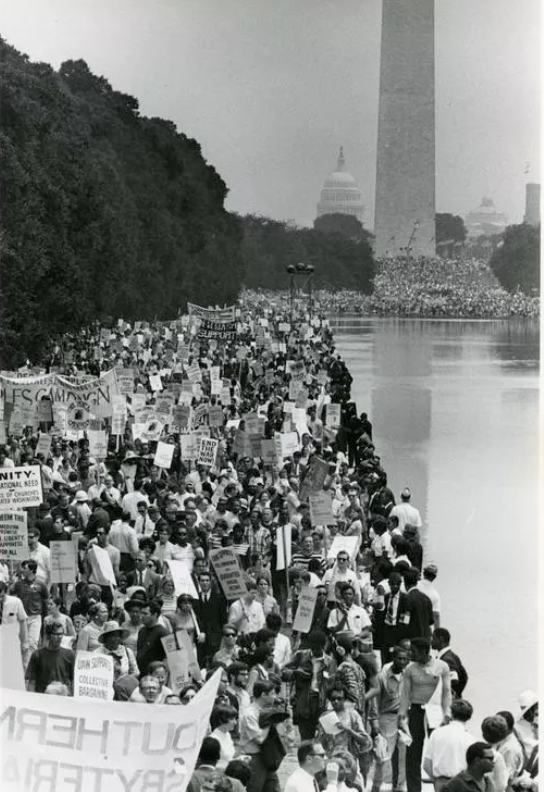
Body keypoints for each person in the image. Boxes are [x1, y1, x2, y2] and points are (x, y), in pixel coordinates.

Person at [399, 637, 452, 792]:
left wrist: (447, 712)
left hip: (435, 712)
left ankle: (441, 788)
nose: (410, 654)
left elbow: (446, 692)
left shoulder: (442, 666)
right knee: (412, 752)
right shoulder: (410, 669)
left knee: (439, 752)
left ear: (423, 652)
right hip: (416, 711)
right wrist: (402, 713)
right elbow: (405, 694)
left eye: (413, 651)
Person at [371, 645, 410, 792]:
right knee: (383, 756)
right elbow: (375, 702)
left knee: (403, 755)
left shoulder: (408, 675)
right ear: (393, 658)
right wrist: (375, 722)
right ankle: (376, 787)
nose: (402, 662)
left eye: (405, 659)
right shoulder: (382, 677)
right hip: (387, 718)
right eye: (400, 658)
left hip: (404, 718)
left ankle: (399, 787)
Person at [283, 630, 336, 740]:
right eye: (313, 648)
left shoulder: (330, 662)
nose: (315, 651)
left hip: (321, 704)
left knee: (322, 738)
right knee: (305, 737)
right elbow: (283, 673)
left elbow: (332, 684)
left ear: (323, 646)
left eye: (317, 648)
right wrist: (296, 673)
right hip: (303, 702)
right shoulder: (300, 656)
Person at [239, 679, 288, 792]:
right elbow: (259, 739)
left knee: (274, 788)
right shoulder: (250, 714)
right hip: (255, 759)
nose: (275, 697)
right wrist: (269, 721)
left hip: (268, 757)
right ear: (263, 695)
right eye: (272, 693)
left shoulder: (266, 710)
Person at [423, 699, 476, 792]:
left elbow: (426, 765)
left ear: (451, 714)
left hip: (441, 782)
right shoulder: (471, 739)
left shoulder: (436, 733)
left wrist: (436, 780)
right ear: (469, 717)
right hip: (461, 784)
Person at [10, 559, 48, 664]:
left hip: (35, 618)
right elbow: (9, 594)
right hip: (21, 618)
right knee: (23, 644)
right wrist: (11, 582)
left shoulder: (41, 584)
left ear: (31, 570)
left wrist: (46, 618)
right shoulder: (18, 584)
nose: (22, 570)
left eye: (25, 568)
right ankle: (23, 665)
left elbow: (46, 602)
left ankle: (30, 668)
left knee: (32, 644)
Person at [25, 619, 76, 694]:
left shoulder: (70, 655)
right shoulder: (37, 655)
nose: (60, 637)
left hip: (63, 697)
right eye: (56, 634)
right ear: (49, 635)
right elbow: (31, 682)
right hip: (43, 697)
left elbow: (74, 681)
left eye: (61, 634)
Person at [431, 629, 469, 699]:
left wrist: (453, 696)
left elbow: (453, 682)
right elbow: (464, 677)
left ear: (441, 639)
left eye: (433, 638)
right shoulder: (452, 656)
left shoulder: (447, 659)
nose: (431, 641)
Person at [136, 598, 168, 675]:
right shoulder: (142, 630)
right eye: (141, 613)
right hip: (141, 674)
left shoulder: (163, 633)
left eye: (145, 614)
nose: (141, 616)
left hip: (155, 676)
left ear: (155, 615)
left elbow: (170, 656)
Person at [0, 580, 29, 660]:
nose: (0, 599)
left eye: (2, 596)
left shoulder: (16, 602)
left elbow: (23, 622)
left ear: (6, 592)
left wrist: (24, 642)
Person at [403, 568, 434, 640]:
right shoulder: (427, 598)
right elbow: (430, 621)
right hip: (426, 638)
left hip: (413, 639)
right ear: (416, 582)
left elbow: (405, 622)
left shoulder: (406, 599)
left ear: (405, 583)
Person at [210, 704, 238, 769]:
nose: (235, 722)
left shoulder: (227, 734)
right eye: (231, 719)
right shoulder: (213, 739)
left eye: (235, 719)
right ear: (221, 720)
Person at [417, 564, 441, 629]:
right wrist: (437, 632)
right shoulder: (435, 594)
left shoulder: (414, 585)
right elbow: (436, 616)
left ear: (424, 573)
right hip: (424, 628)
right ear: (434, 577)